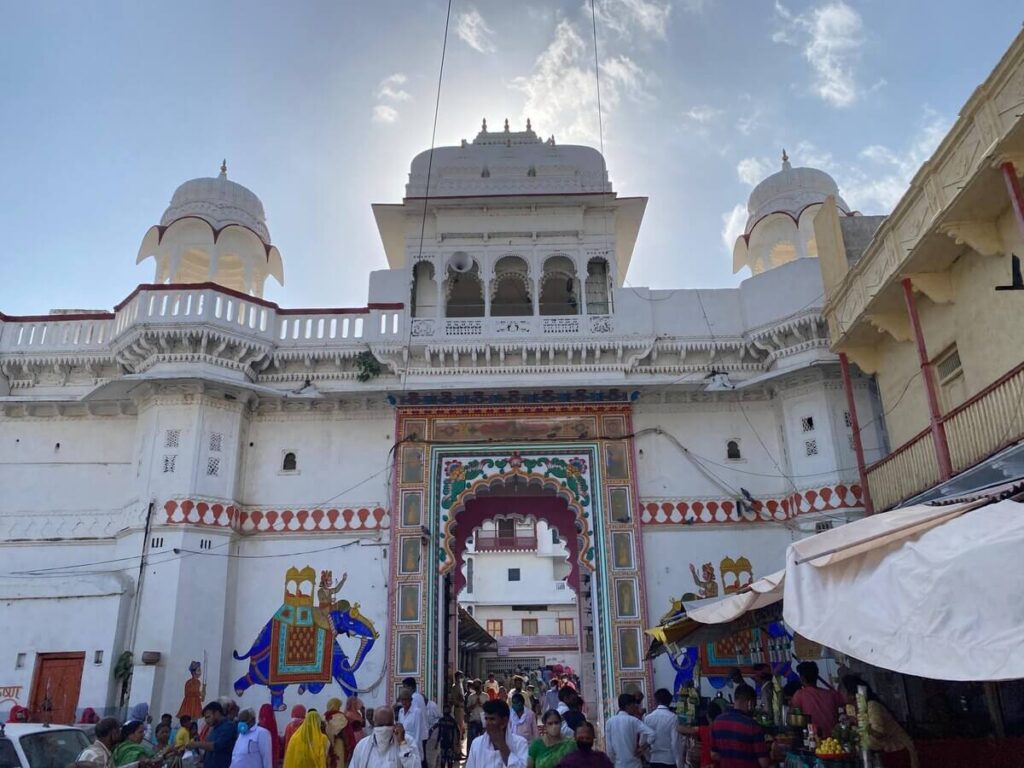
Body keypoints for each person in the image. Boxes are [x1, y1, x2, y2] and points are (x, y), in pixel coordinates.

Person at [840, 676, 918, 768]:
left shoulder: (872, 706)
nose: (841, 693)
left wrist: (859, 723)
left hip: (896, 750)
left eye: (843, 691)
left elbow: (879, 734)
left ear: (852, 695)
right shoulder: (850, 708)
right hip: (873, 754)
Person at [709, 684, 769, 768]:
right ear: (750, 703)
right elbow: (764, 763)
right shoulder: (753, 726)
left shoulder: (717, 722)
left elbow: (713, 754)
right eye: (754, 705)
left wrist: (729, 759)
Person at [348, 706, 419, 768]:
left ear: (394, 724)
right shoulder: (362, 745)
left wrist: (403, 744)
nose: (384, 729)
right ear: (374, 723)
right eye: (380, 725)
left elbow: (414, 766)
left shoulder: (407, 741)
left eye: (388, 725)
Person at [466, 700, 528, 768]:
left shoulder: (520, 743)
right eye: (486, 719)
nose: (488, 723)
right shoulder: (476, 744)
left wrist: (502, 745)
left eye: (492, 719)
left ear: (504, 722)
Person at [790, 661, 844, 737]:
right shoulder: (832, 694)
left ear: (802, 678)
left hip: (814, 740)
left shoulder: (799, 695)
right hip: (833, 740)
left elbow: (794, 722)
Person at [605, 693, 654, 768]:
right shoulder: (633, 720)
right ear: (628, 705)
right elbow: (652, 734)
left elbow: (609, 749)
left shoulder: (610, 722)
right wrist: (643, 747)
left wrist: (613, 761)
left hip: (619, 764)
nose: (635, 707)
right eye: (634, 705)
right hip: (634, 764)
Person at [190, 700, 238, 768]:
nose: (206, 721)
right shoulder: (214, 728)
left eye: (208, 717)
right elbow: (209, 749)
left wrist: (197, 744)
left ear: (217, 713)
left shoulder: (228, 726)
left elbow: (216, 746)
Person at [677, 700, 722, 768]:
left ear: (707, 716)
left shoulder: (704, 729)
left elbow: (680, 729)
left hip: (705, 765)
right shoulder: (722, 731)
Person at [643, 689, 679, 768]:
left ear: (656, 701)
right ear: (669, 701)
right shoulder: (673, 717)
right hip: (669, 760)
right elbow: (674, 742)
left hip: (654, 759)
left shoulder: (648, 718)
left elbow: (643, 742)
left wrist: (648, 758)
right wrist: (678, 761)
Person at [398, 687, 429, 768]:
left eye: (406, 700)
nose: (404, 702)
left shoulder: (417, 712)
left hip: (413, 746)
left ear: (410, 700)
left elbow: (418, 733)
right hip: (402, 744)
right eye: (402, 700)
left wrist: (415, 750)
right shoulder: (400, 712)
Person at [431, 704, 460, 768]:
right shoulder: (442, 720)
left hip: (450, 744)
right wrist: (437, 742)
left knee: (449, 761)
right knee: (443, 761)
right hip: (443, 744)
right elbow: (439, 732)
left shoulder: (452, 721)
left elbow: (458, 732)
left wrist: (457, 742)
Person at [323, 697, 349, 768]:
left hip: (326, 744)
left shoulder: (324, 717)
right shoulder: (341, 717)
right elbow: (345, 732)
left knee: (328, 762)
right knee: (338, 762)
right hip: (338, 743)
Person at [467, 679, 487, 745]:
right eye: (475, 686)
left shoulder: (485, 696)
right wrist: (475, 704)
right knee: (473, 741)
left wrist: (481, 704)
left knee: (484, 741)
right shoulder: (471, 697)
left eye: (478, 685)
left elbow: (488, 709)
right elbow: (468, 709)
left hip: (483, 721)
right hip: (474, 720)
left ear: (481, 686)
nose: (477, 687)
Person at [450, 671, 467, 745]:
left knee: (462, 728)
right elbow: (453, 699)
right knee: (459, 728)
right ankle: (457, 747)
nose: (461, 678)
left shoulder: (460, 685)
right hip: (458, 708)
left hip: (461, 709)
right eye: (460, 676)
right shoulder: (455, 687)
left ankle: (459, 746)